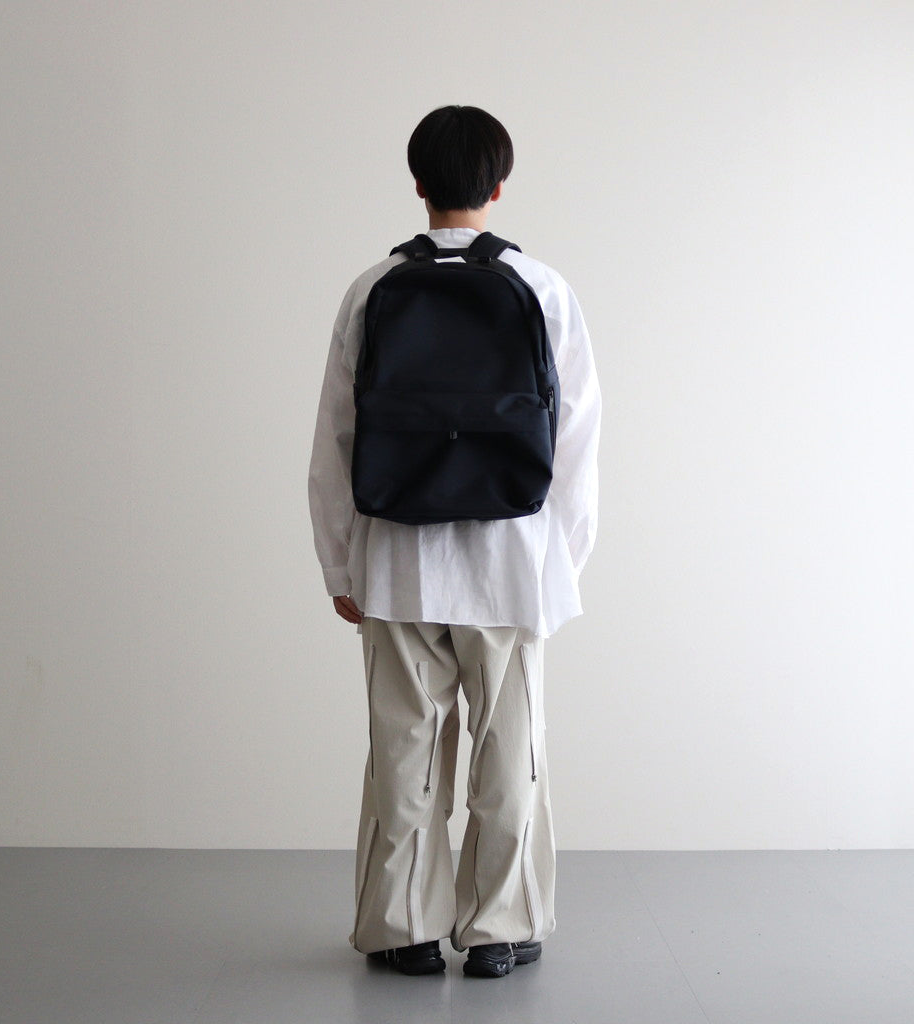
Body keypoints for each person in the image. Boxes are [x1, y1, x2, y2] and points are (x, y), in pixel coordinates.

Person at [307, 105, 601, 978]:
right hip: (511, 564)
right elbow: (577, 441)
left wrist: (340, 563)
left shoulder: (372, 289)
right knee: (511, 754)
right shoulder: (542, 288)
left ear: (418, 183)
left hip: (396, 559)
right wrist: (562, 563)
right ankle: (502, 928)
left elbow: (335, 440)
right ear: (498, 186)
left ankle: (401, 929)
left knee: (404, 752)